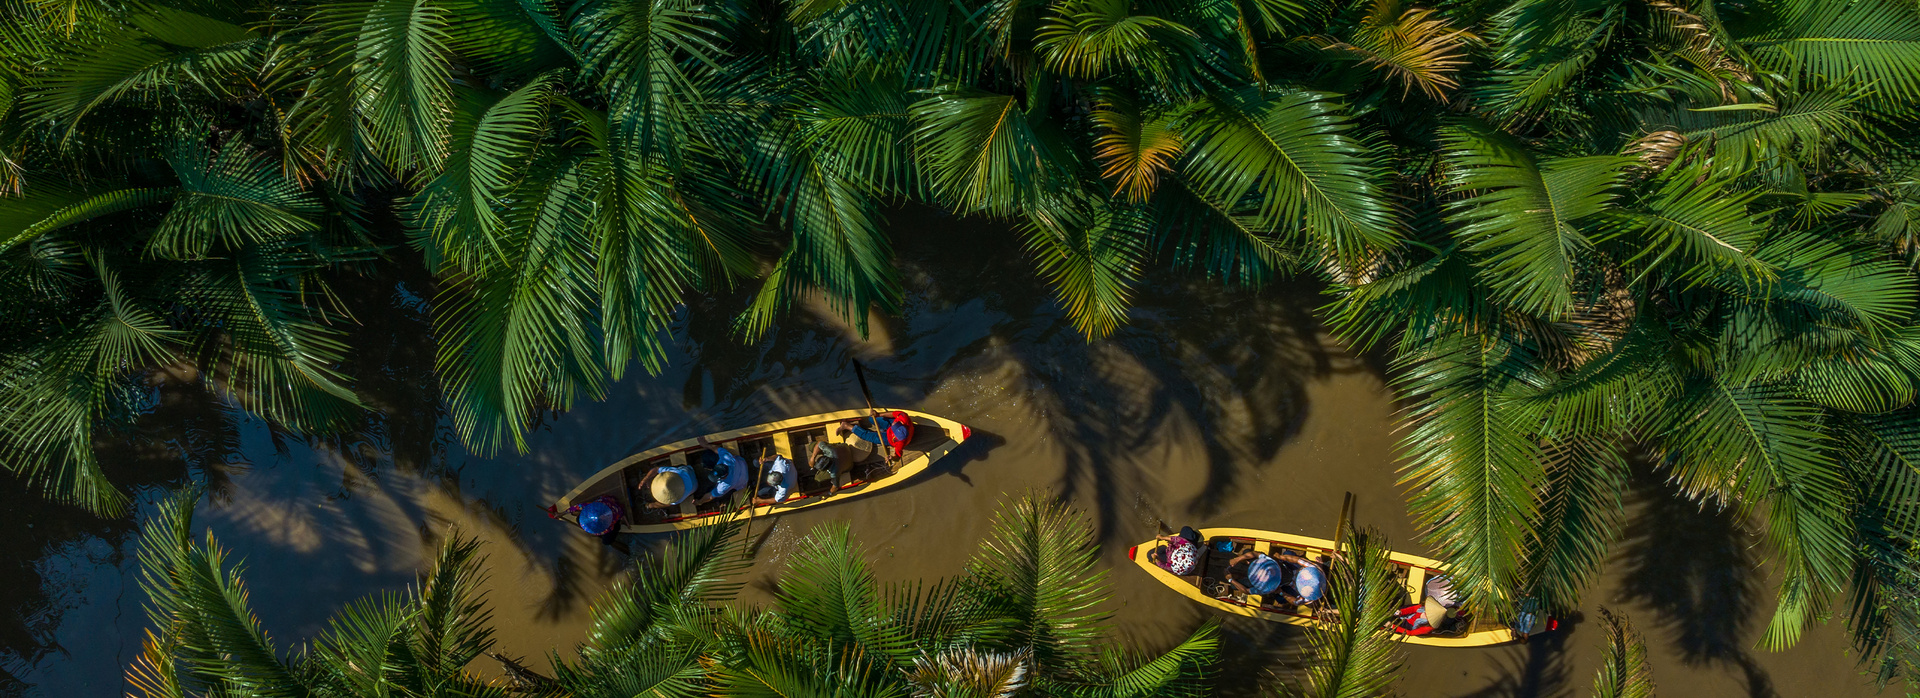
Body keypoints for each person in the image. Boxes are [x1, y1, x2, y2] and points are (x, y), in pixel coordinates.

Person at [693, 439, 747, 505]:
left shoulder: (724, 486)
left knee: (720, 495)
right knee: (707, 456)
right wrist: (706, 445)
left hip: (742, 482)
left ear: (724, 476)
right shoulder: (727, 458)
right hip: (742, 464)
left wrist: (700, 502)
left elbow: (710, 496)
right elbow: (717, 449)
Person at [839, 412, 912, 459]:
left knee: (867, 436)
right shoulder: (903, 417)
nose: (894, 425)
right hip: (890, 426)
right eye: (896, 425)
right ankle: (882, 429)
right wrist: (878, 415)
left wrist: (891, 457)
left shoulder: (900, 443)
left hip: (888, 438)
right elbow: (893, 414)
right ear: (902, 424)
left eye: (894, 427)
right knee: (872, 418)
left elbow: (897, 457)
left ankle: (846, 426)